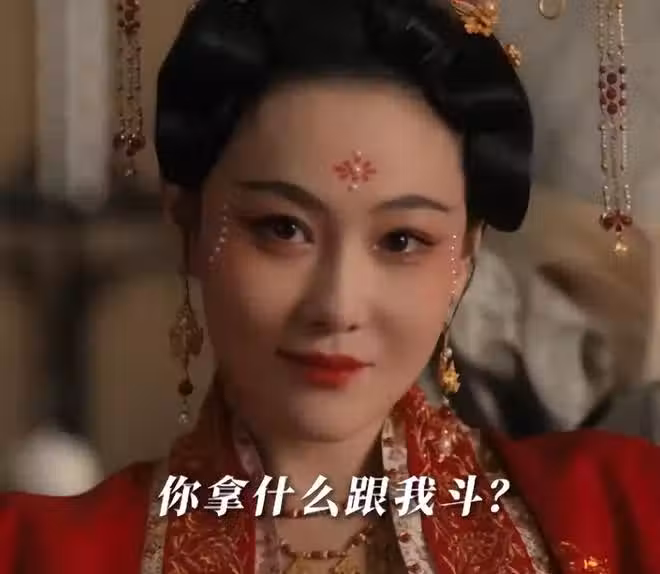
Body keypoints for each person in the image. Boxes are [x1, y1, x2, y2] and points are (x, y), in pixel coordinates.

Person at [2, 0, 659, 572]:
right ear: (190, 227)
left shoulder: (620, 512)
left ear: (465, 256)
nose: (337, 305)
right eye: (283, 229)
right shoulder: (37, 553)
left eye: (401, 240)